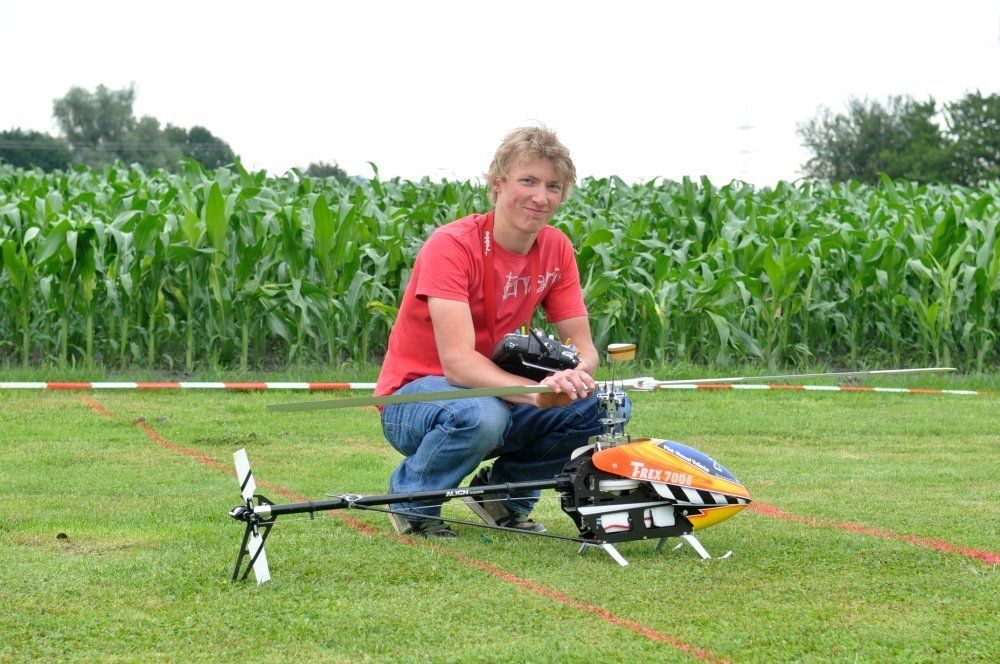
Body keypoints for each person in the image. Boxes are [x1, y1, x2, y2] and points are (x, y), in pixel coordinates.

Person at [374, 126, 630, 538]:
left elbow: (585, 348)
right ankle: (413, 502)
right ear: (497, 183)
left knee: (605, 406)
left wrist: (575, 377)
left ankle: (502, 498)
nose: (540, 197)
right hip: (417, 397)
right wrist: (535, 392)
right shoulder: (451, 245)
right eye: (528, 181)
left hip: (497, 392)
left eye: (553, 186)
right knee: (482, 414)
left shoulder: (557, 248)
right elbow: (458, 365)